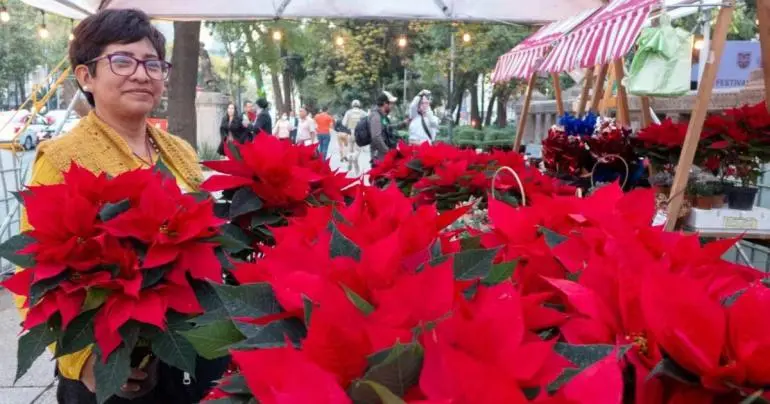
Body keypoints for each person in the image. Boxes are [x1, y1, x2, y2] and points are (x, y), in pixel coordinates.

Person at [20, 9, 228, 403]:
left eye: (153, 63)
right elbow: (32, 274)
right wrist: (84, 364)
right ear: (86, 77)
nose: (141, 74)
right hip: (110, 372)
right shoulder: (62, 158)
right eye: (122, 60)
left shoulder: (179, 151)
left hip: (185, 353)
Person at [369, 91, 408, 166]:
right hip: (379, 157)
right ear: (385, 103)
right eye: (391, 103)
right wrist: (388, 151)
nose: (392, 105)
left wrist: (403, 124)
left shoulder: (382, 116)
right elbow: (376, 137)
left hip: (383, 155)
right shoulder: (376, 116)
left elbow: (388, 128)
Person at [341, 100, 367, 175]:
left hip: (350, 134)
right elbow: (367, 122)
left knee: (350, 150)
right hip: (359, 135)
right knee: (357, 151)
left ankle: (349, 159)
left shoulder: (348, 112)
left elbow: (344, 123)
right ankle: (356, 168)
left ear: (352, 105)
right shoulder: (363, 113)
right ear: (359, 105)